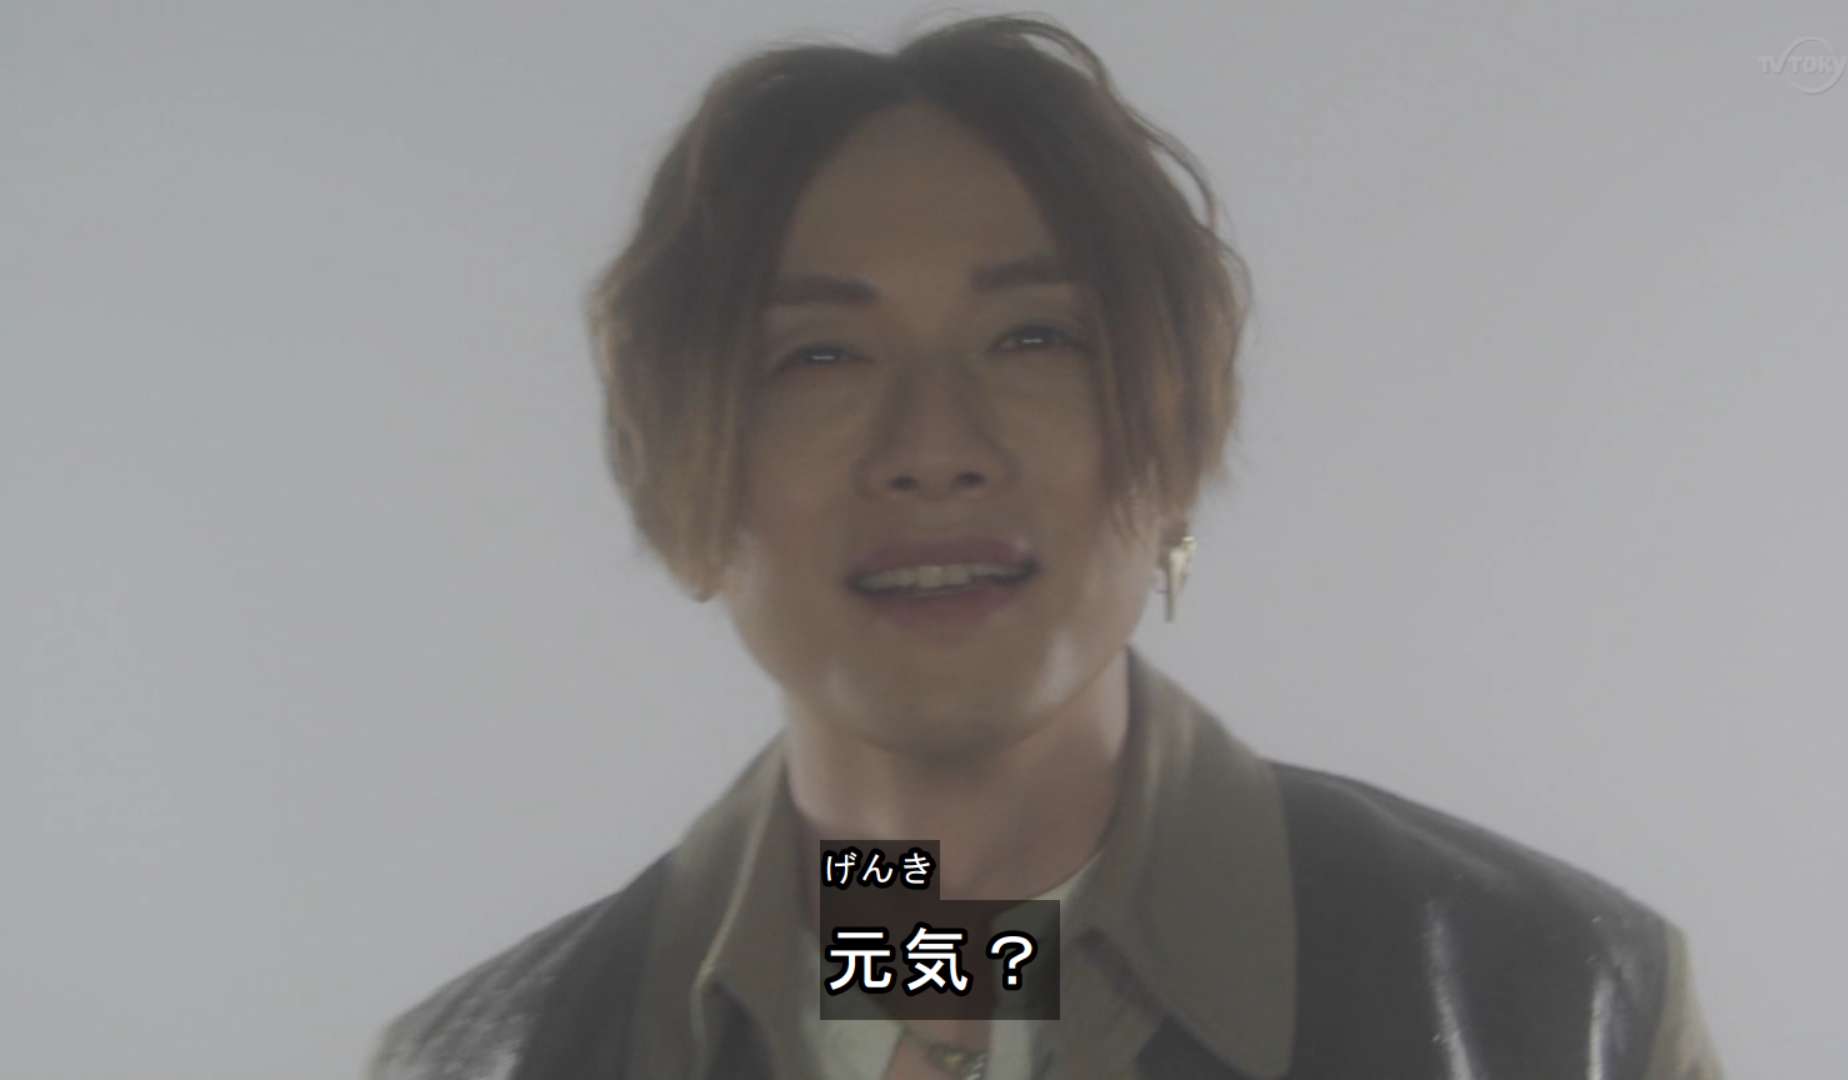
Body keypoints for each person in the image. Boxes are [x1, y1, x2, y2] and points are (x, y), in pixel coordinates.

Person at [365, 15, 1721, 1080]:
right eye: (820, 355)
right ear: (687, 465)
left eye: (1034, 338)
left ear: (1172, 433)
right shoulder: (485, 1060)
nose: (933, 446)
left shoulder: (1559, 1009)